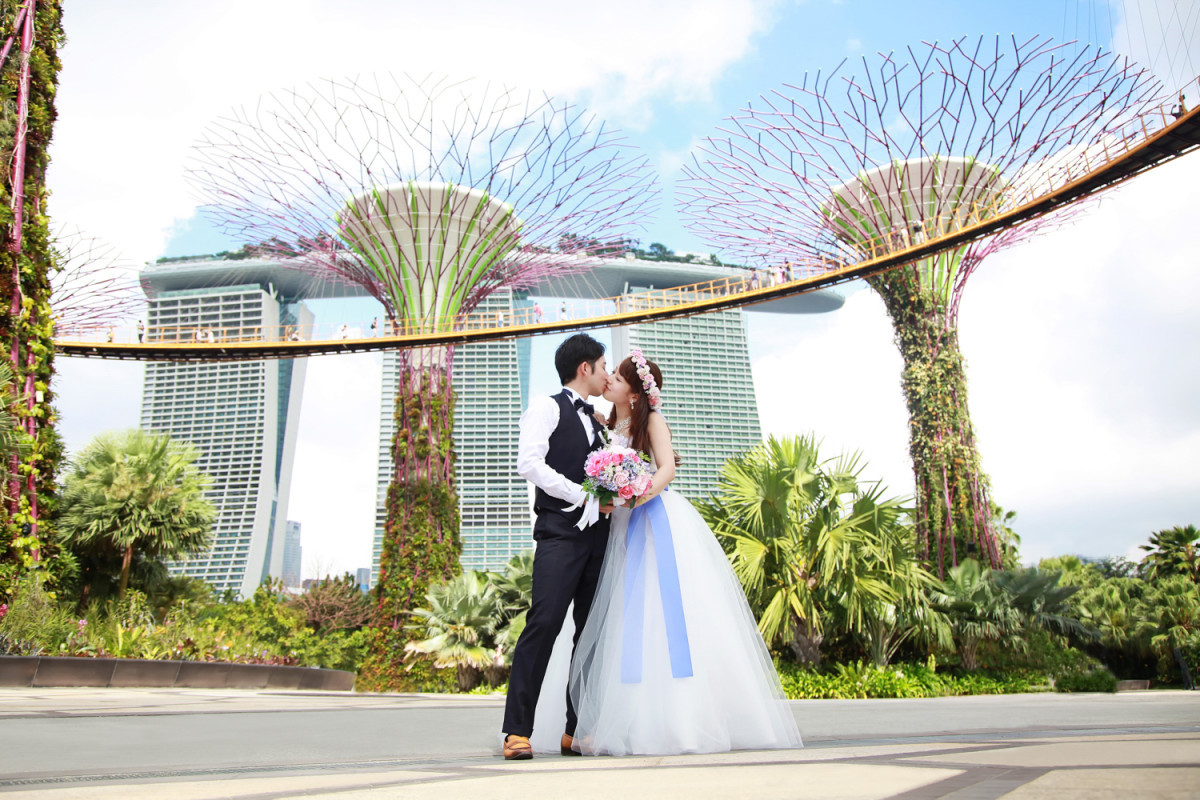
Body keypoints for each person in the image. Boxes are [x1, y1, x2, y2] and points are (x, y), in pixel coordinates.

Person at [530, 350, 803, 757]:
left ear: (635, 392)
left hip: (650, 519)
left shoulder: (652, 421)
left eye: (617, 378)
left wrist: (638, 495)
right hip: (614, 525)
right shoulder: (604, 424)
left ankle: (669, 718)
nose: (609, 381)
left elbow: (666, 469)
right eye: (608, 374)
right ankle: (599, 720)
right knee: (615, 620)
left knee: (657, 613)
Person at [502, 333, 614, 761]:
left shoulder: (601, 422)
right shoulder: (546, 406)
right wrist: (580, 494)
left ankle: (574, 730)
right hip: (559, 533)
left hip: (600, 538)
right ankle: (516, 731)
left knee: (590, 633)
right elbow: (528, 462)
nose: (606, 374)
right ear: (584, 368)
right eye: (603, 366)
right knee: (544, 623)